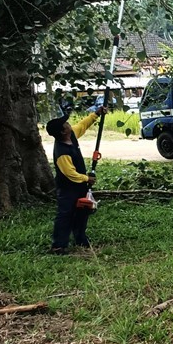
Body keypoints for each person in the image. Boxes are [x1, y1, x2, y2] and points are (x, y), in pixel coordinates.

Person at [45, 105, 107, 254]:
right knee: (65, 214)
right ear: (62, 131)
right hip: (67, 188)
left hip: (80, 186)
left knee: (83, 211)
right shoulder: (62, 152)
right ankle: (59, 245)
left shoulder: (71, 136)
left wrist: (96, 114)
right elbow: (70, 174)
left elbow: (82, 125)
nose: (69, 124)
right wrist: (87, 178)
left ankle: (80, 238)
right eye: (66, 124)